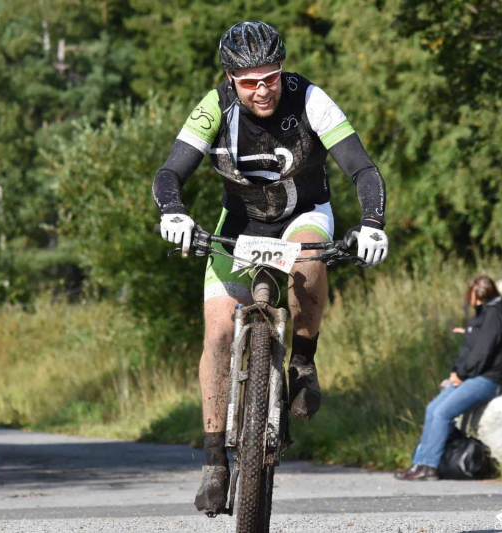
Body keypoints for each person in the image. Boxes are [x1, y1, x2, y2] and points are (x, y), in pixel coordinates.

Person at [151, 21, 388, 514]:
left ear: (282, 70)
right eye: (250, 82)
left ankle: (302, 361)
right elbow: (170, 171)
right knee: (219, 331)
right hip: (240, 225)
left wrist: (371, 224)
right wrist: (173, 212)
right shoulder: (213, 107)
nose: (263, 90)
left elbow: (363, 168)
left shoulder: (310, 99)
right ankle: (214, 462)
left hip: (304, 213)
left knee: (309, 257)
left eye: (271, 77)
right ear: (231, 80)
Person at [395, 275, 502, 481]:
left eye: (471, 294)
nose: (469, 299)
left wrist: (462, 374)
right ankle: (419, 462)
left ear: (477, 294)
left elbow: (483, 352)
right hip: (470, 375)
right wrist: (457, 373)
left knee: (442, 413)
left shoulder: (494, 315)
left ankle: (430, 466)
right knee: (432, 409)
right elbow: (471, 349)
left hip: (487, 378)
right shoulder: (484, 313)